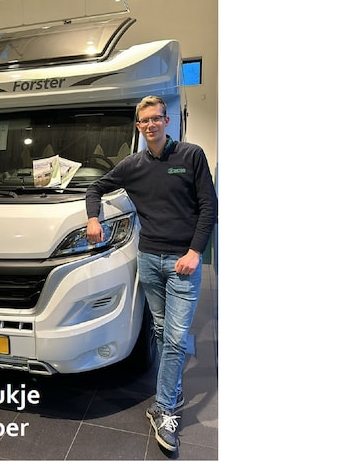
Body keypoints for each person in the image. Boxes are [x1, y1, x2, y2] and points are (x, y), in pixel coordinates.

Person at [85, 95, 217, 452]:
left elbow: (209, 206)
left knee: (174, 338)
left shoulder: (191, 156)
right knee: (160, 331)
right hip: (148, 260)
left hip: (182, 263)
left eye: (156, 118)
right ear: (138, 126)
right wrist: (93, 218)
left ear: (166, 121)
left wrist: (195, 252)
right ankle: (174, 389)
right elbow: (95, 188)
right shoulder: (132, 165)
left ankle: (164, 408)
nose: (151, 125)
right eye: (144, 121)